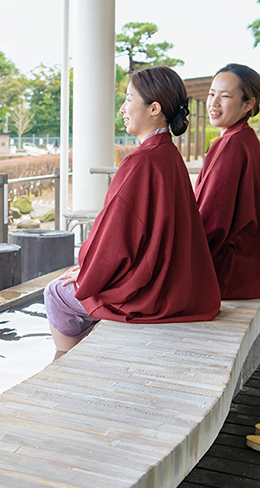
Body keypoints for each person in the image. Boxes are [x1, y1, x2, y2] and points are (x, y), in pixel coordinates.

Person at [44, 66, 221, 353]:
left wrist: (88, 271)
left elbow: (116, 236)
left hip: (150, 293)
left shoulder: (141, 160)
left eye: (128, 99)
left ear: (154, 108)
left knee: (55, 293)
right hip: (176, 286)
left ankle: (65, 362)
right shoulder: (169, 154)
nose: (123, 109)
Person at [195, 64, 260, 300]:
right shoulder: (244, 138)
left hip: (232, 274)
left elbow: (213, 219)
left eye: (225, 96)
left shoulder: (232, 145)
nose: (213, 103)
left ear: (248, 104)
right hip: (255, 272)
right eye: (212, 94)